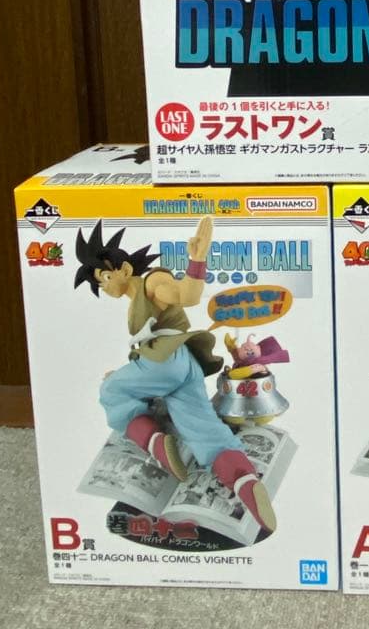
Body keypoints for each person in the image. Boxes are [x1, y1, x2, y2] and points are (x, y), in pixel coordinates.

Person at [74, 216, 275, 532]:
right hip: (184, 365)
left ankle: (154, 442)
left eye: (104, 277)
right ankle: (244, 481)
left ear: (123, 269)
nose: (104, 286)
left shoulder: (152, 282)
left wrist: (197, 260)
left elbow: (187, 296)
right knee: (204, 429)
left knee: (111, 391)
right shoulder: (138, 296)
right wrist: (132, 371)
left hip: (166, 361)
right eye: (99, 283)